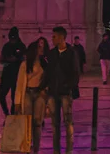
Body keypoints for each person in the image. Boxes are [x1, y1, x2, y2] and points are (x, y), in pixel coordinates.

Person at [41, 26, 79, 154]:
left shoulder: (72, 52)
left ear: (62, 37)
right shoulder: (52, 53)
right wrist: (43, 87)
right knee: (55, 125)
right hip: (53, 92)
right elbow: (48, 72)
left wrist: (68, 86)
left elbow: (75, 73)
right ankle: (56, 151)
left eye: (54, 36)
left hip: (65, 93)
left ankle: (69, 150)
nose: (52, 39)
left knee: (68, 123)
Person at [15, 38, 49, 153]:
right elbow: (20, 84)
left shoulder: (45, 63)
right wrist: (17, 102)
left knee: (37, 122)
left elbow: (49, 80)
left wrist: (46, 91)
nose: (41, 48)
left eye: (43, 46)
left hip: (40, 93)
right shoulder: (25, 64)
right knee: (27, 121)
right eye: (39, 46)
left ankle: (36, 148)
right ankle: (27, 146)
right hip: (28, 93)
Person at [0, 27, 26, 117]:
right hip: (7, 74)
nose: (12, 40)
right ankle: (7, 114)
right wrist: (9, 59)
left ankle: (12, 116)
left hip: (17, 75)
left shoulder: (21, 46)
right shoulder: (6, 46)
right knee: (2, 95)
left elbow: (24, 59)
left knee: (14, 98)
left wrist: (17, 59)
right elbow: (1, 59)